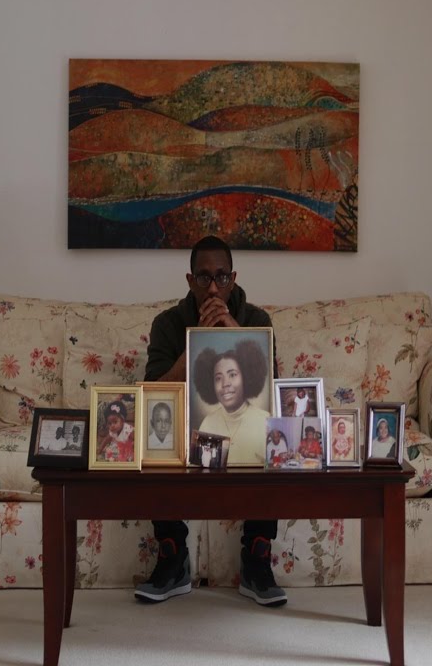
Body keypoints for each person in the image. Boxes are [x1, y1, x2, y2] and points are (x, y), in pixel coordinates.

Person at [135, 235, 286, 608]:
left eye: (221, 277)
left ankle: (257, 557)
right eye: (204, 278)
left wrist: (232, 332)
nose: (214, 288)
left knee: (274, 435)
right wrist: (197, 344)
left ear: (233, 279)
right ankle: (172, 557)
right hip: (187, 426)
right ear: (190, 281)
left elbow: (273, 391)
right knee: (155, 434)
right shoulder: (167, 323)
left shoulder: (257, 321)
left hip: (244, 422)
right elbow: (152, 392)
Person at [192, 339, 272, 464]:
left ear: (246, 377)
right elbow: (201, 471)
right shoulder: (207, 424)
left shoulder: (266, 421)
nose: (225, 384)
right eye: (218, 378)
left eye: (232, 375)